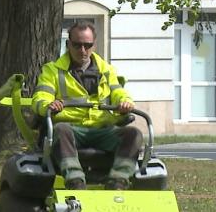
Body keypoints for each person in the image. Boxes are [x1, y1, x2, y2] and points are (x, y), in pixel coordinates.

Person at [32, 21, 143, 190]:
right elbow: (40, 97)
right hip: (71, 129)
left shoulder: (107, 70)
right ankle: (75, 182)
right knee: (60, 130)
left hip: (102, 129)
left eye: (87, 45)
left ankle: (118, 181)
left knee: (133, 134)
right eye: (77, 45)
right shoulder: (52, 71)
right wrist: (48, 105)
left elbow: (118, 92)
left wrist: (125, 103)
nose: (82, 50)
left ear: (94, 45)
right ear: (68, 44)